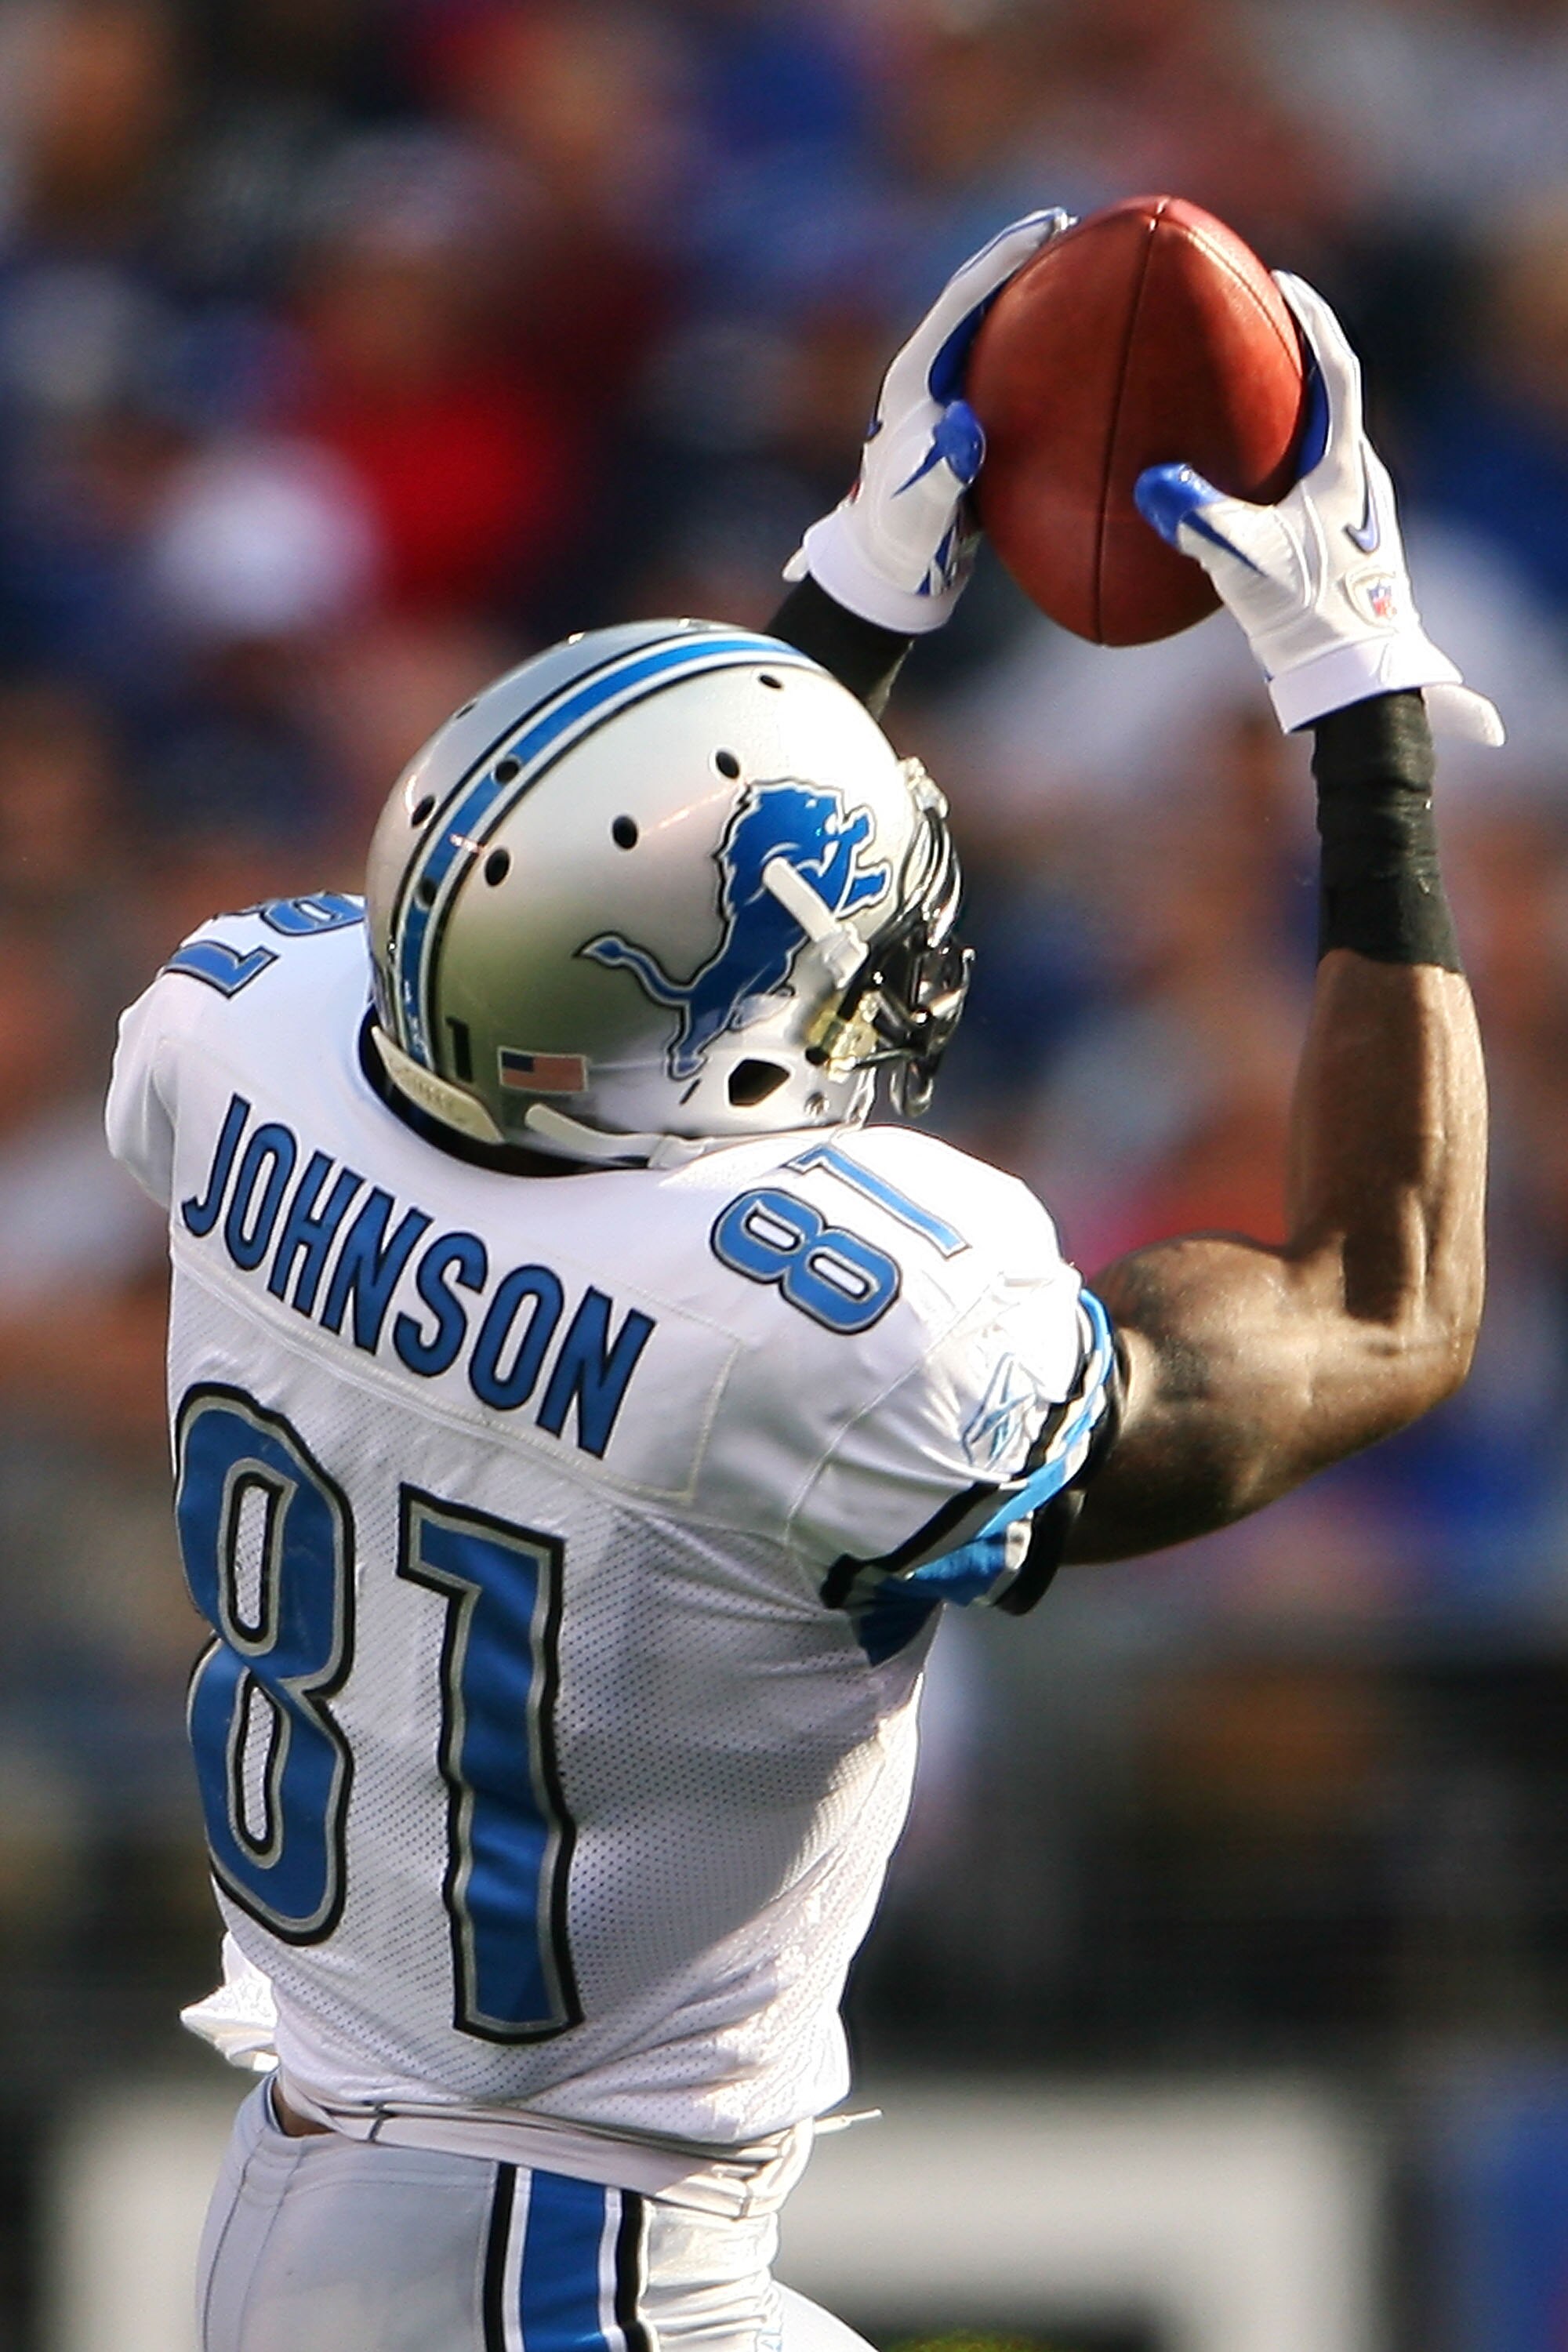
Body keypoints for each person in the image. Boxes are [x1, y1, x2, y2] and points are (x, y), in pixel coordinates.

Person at [107, 210, 1494, 2352]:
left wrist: (851, 596)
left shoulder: (246, 1032)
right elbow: (1385, 1302)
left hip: (353, 2199)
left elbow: (594, 978)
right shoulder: (816, 1336)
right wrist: (1361, 687)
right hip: (558, 2271)